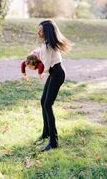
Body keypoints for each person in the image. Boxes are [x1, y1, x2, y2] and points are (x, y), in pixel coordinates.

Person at [36, 19, 72, 152]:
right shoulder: (48, 44)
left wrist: (38, 69)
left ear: (46, 31)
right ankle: (46, 133)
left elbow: (45, 66)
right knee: (43, 101)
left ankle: (54, 141)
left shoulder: (47, 45)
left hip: (57, 74)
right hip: (55, 72)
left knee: (47, 104)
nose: (37, 31)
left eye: (40, 29)